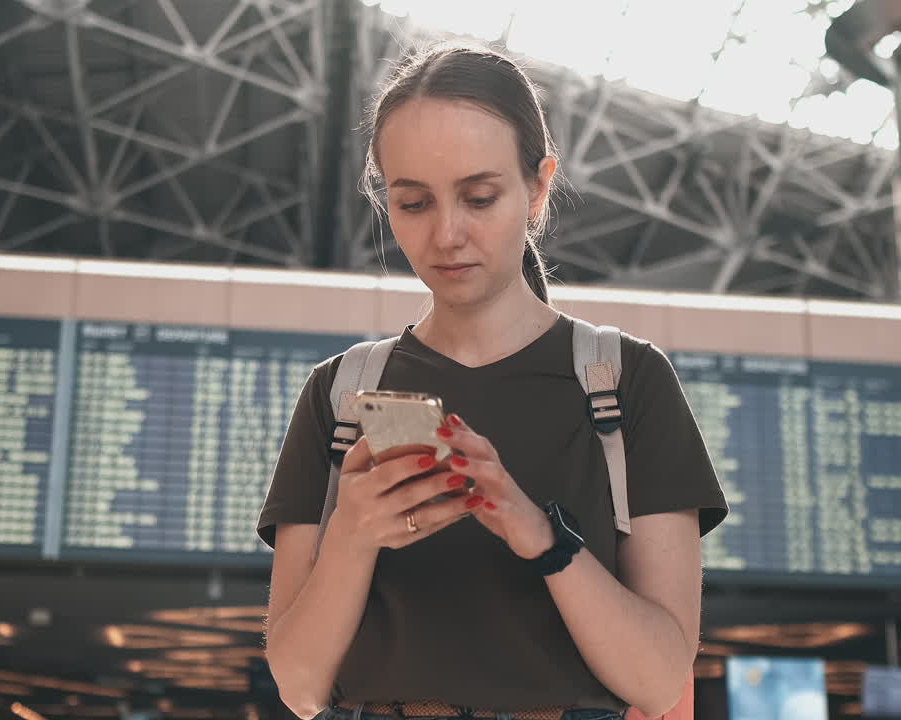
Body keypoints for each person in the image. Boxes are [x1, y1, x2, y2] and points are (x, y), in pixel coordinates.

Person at [257, 43, 728, 720]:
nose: (447, 234)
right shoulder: (339, 394)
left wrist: (536, 531)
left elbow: (658, 682)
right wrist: (353, 536)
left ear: (538, 187)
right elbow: (300, 689)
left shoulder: (626, 383)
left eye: (479, 197)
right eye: (414, 203)